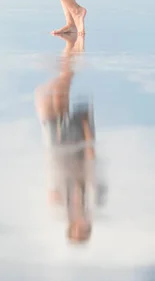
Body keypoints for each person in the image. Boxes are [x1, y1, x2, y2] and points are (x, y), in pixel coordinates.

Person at [35, 34, 107, 244]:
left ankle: (69, 53)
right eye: (84, 229)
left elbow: (51, 174)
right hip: (73, 145)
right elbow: (93, 161)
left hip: (56, 145)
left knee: (47, 95)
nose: (81, 224)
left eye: (78, 229)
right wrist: (87, 134)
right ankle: (70, 52)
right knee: (57, 91)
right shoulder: (95, 199)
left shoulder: (60, 206)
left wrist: (52, 192)